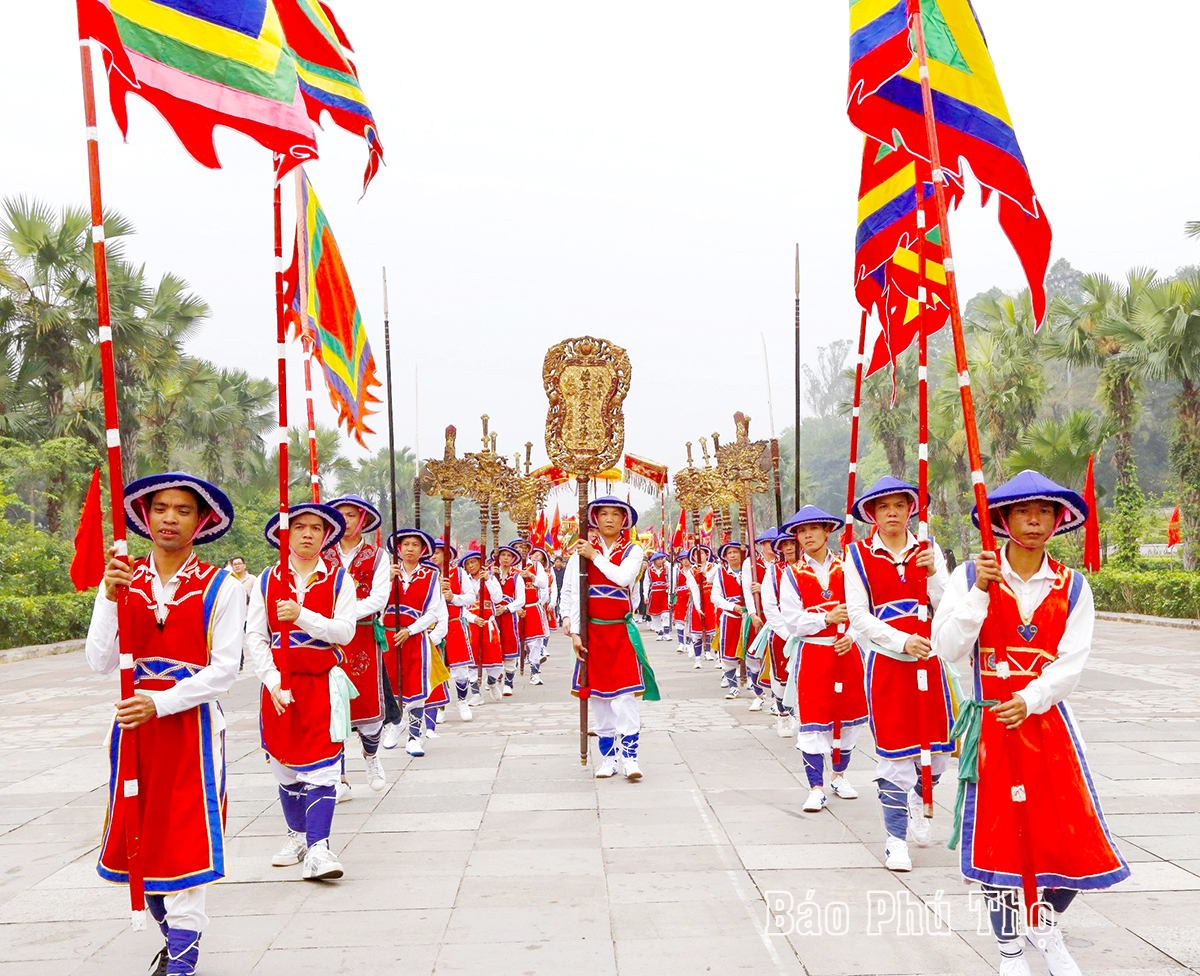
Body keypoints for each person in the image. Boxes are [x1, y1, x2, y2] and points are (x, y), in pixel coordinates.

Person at [932, 470, 1130, 976]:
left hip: (1048, 724)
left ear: (1060, 518)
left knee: (1074, 835)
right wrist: (978, 594)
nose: (1035, 520)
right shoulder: (968, 575)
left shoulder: (1074, 586)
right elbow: (948, 648)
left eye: (1045, 510)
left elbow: (1071, 662)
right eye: (1023, 510)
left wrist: (1032, 696)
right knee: (999, 840)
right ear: (1002, 519)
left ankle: (1043, 923)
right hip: (990, 726)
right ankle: (1009, 950)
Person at [86, 473, 244, 976]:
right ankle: (175, 944)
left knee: (187, 843)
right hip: (134, 735)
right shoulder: (121, 578)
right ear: (145, 517)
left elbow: (224, 671)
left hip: (192, 733)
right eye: (160, 509)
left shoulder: (223, 586)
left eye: (182, 510)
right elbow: (100, 661)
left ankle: (181, 965)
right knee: (145, 847)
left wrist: (161, 702)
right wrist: (110, 599)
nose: (170, 518)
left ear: (201, 521)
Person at [844, 476, 952, 873]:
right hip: (888, 666)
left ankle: (922, 802)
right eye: (883, 506)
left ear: (912, 510)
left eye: (899, 505)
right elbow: (858, 615)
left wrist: (935, 571)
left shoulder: (928, 549)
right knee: (894, 758)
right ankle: (895, 840)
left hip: (931, 663)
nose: (892, 512)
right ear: (871, 513)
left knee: (937, 757)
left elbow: (947, 604)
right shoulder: (855, 557)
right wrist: (901, 640)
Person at [246, 502, 355, 882]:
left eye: (315, 528)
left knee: (324, 766)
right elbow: (256, 637)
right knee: (286, 766)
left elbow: (345, 632)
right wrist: (273, 682)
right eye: (298, 527)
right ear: (284, 535)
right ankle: (296, 836)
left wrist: (302, 615)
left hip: (320, 684)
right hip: (278, 687)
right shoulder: (265, 579)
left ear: (326, 536)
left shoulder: (340, 579)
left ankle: (320, 849)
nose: (307, 533)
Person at [560, 496, 656, 779]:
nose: (610, 519)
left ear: (624, 520)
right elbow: (571, 592)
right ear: (595, 519)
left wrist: (595, 557)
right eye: (604, 514)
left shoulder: (633, 550)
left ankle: (631, 759)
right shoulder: (580, 552)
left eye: (616, 514)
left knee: (625, 697)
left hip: (620, 631)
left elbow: (623, 579)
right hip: (592, 633)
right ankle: (608, 759)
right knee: (599, 699)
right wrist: (574, 630)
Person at [778, 506, 867, 813]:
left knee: (848, 717)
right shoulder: (791, 574)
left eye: (813, 529)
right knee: (814, 721)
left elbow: (864, 608)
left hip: (846, 650)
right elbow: (791, 620)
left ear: (827, 531)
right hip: (814, 653)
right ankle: (815, 786)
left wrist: (852, 635)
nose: (807, 536)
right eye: (801, 532)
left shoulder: (849, 566)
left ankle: (840, 775)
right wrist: (827, 617)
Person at [322, 496, 389, 800]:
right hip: (327, 637)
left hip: (361, 635)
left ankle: (371, 756)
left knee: (367, 706)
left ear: (362, 519)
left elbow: (378, 598)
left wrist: (344, 614)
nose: (345, 521)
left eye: (351, 515)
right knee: (331, 705)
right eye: (340, 515)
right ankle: (340, 776)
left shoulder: (377, 556)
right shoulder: (322, 554)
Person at [382, 528, 449, 756]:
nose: (410, 548)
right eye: (406, 544)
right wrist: (385, 582)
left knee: (416, 687)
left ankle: (414, 737)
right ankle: (394, 723)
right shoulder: (385, 573)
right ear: (398, 549)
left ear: (422, 550)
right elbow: (374, 603)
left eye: (415, 545)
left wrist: (410, 630)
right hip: (388, 638)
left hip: (415, 639)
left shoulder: (431, 577)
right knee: (390, 685)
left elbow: (433, 613)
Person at [487, 544, 526, 696]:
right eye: (503, 555)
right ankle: (492, 678)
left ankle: (508, 683)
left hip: (509, 616)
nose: (505, 558)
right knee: (492, 645)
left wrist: (507, 608)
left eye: (509, 556)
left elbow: (521, 599)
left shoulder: (517, 576)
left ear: (513, 559)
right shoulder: (489, 574)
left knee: (509, 644)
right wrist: (490, 577)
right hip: (492, 615)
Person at [712, 542, 749, 699]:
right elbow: (715, 597)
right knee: (729, 653)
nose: (733, 555)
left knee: (750, 652)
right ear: (725, 557)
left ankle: (754, 684)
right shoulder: (720, 573)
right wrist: (732, 607)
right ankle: (733, 686)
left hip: (748, 617)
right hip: (730, 618)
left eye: (735, 552)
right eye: (729, 553)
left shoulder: (749, 571)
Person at [521, 545, 552, 684]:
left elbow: (544, 584)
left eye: (523, 548)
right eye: (517, 548)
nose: (521, 550)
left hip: (531, 607)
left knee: (534, 643)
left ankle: (534, 673)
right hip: (512, 610)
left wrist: (531, 576)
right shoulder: (507, 567)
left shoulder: (535, 565)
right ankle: (500, 677)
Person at [684, 544, 717, 669]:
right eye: (696, 554)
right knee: (697, 633)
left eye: (702, 553)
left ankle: (717, 657)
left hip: (712, 602)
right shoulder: (691, 571)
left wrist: (705, 573)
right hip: (699, 602)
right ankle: (698, 659)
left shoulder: (714, 567)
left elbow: (715, 582)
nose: (699, 556)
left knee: (714, 632)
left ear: (707, 554)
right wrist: (697, 607)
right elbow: (694, 589)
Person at [643, 551, 672, 640]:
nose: (660, 561)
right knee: (655, 615)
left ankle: (666, 632)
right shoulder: (649, 570)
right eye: (658, 560)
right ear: (654, 561)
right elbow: (646, 583)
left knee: (665, 613)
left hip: (664, 593)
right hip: (654, 594)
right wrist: (645, 595)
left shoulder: (667, 569)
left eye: (661, 559)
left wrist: (670, 585)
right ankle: (659, 632)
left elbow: (671, 579)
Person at [671, 550, 692, 654]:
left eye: (687, 559)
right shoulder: (676, 571)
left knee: (689, 620)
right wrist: (670, 599)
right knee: (679, 621)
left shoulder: (694, 570)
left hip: (691, 597)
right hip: (680, 598)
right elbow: (673, 585)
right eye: (683, 559)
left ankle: (688, 643)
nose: (685, 561)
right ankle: (681, 643)